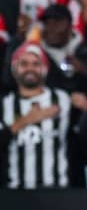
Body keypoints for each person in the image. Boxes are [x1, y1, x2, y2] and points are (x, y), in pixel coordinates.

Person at [0, 43, 72, 188]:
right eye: (24, 64)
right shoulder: (4, 104)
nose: (30, 68)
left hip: (57, 188)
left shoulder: (62, 99)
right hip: (15, 189)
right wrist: (27, 120)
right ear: (14, 69)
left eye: (36, 64)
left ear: (44, 69)